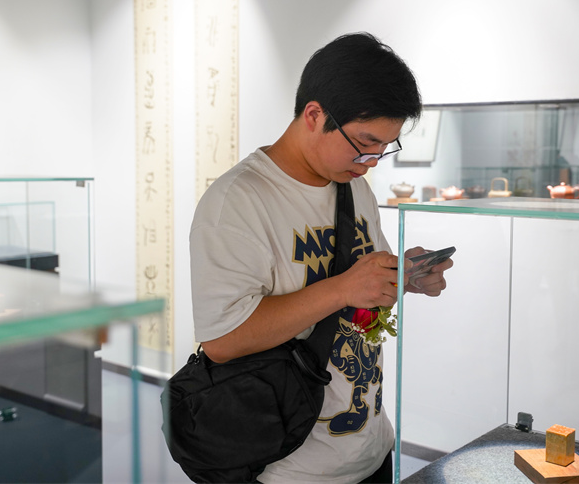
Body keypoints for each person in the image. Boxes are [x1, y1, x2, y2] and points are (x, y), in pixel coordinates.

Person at [189, 32, 453, 484]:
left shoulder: (355, 188)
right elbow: (222, 340)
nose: (372, 160)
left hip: (371, 449)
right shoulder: (237, 201)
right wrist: (343, 288)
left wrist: (404, 277)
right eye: (364, 142)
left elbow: (363, 294)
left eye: (384, 147)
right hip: (290, 468)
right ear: (314, 115)